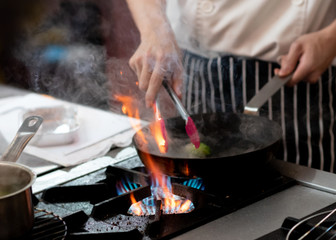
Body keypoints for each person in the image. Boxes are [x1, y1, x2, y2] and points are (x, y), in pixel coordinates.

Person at [125, 0, 336, 173]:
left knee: (304, 207)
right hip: (197, 69)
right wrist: (154, 31)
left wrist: (330, 39)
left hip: (295, 73)